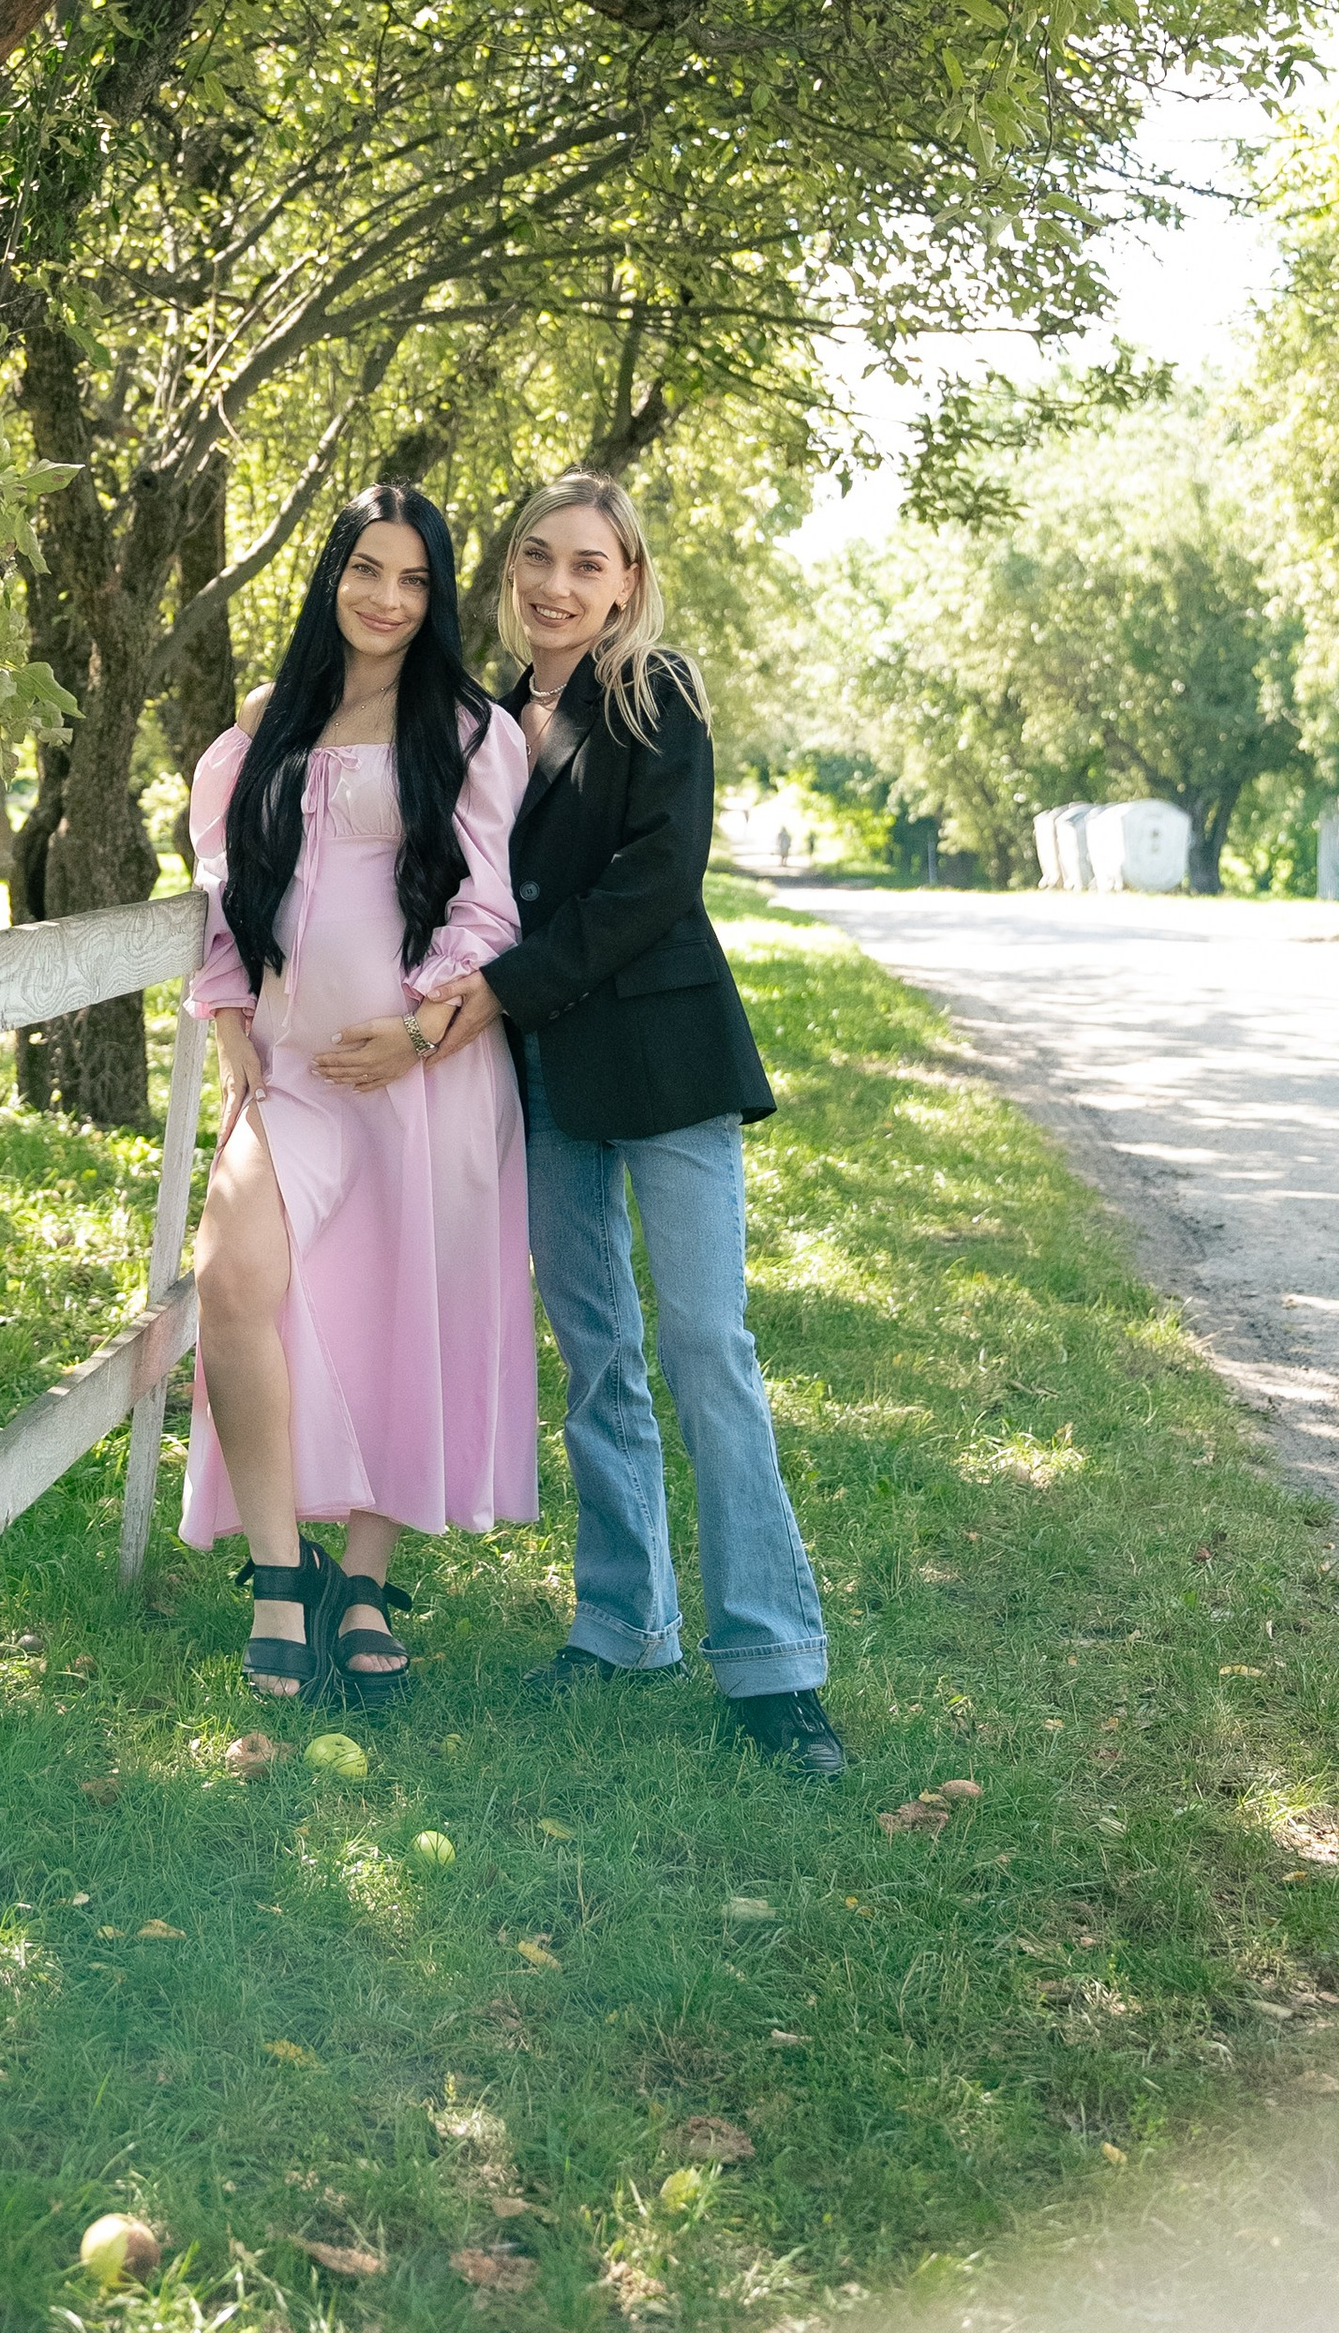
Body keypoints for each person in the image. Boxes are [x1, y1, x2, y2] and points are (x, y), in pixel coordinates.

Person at [431, 472, 846, 1776]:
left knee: (705, 1343)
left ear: (628, 583)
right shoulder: (484, 724)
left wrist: (505, 986)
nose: (560, 586)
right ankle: (621, 1621)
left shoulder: (653, 696)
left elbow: (658, 879)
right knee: (595, 1354)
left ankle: (774, 1664)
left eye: (590, 566)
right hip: (548, 1077)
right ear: (510, 572)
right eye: (539, 559)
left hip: (662, 1062)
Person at [184, 483, 536, 1706]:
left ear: (436, 598)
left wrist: (424, 1030)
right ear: (330, 574)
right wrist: (229, 1019)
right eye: (365, 570)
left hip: (427, 1076)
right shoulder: (265, 727)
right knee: (231, 1282)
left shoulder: (473, 731)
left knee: (410, 1308)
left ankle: (368, 1581)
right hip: (295, 1077)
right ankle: (280, 1576)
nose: (385, 599)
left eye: (414, 580)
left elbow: (490, 904)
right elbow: (223, 883)